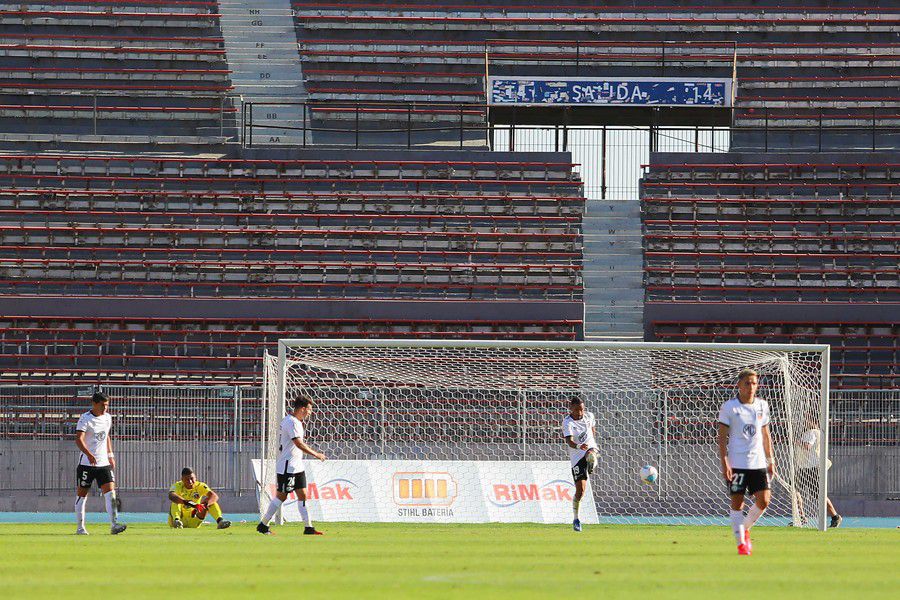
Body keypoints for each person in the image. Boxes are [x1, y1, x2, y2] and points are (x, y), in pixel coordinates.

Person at [717, 369, 774, 555]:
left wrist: (770, 459)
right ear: (739, 385)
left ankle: (744, 529)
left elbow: (765, 435)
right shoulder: (730, 407)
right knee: (737, 503)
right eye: (747, 383)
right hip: (737, 464)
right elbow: (722, 437)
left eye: (754, 383)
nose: (751, 387)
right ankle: (741, 542)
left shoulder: (762, 406)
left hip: (757, 463)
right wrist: (724, 461)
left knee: (764, 500)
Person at [257, 395, 326, 535]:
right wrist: (316, 454)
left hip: (297, 465)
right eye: (309, 409)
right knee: (281, 496)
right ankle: (263, 525)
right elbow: (298, 443)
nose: (310, 412)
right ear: (302, 408)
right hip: (287, 465)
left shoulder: (294, 421)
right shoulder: (292, 422)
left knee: (303, 494)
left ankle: (308, 527)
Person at [74, 392, 127, 535]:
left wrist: (110, 455)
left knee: (111, 493)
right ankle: (80, 527)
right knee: (82, 495)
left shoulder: (108, 418)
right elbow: (79, 439)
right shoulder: (85, 419)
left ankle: (114, 524)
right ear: (94, 404)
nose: (105, 408)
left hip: (103, 463)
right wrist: (89, 454)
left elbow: (106, 436)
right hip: (86, 464)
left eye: (107, 405)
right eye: (103, 405)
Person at [795, 414, 842, 528]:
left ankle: (835, 516)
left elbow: (807, 446)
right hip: (804, 467)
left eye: (807, 419)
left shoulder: (812, 432)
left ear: (813, 421)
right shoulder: (819, 433)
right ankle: (801, 517)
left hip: (811, 468)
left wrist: (796, 441)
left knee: (818, 495)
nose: (805, 421)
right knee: (794, 490)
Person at [562, 395, 599, 533]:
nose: (580, 413)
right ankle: (576, 519)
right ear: (571, 408)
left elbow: (593, 430)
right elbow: (569, 441)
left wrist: (591, 445)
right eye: (577, 410)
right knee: (580, 491)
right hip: (577, 457)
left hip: (589, 449)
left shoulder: (589, 416)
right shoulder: (567, 422)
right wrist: (579, 446)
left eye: (582, 410)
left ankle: (592, 461)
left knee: (591, 455)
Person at [167, 467, 232, 529]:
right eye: (187, 479)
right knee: (176, 501)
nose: (190, 481)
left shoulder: (200, 486)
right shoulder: (177, 485)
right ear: (182, 479)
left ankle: (220, 521)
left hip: (194, 518)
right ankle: (176, 520)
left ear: (195, 478)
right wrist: (190, 504)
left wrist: (204, 505)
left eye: (192, 478)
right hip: (180, 518)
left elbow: (214, 496)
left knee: (210, 501)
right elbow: (171, 495)